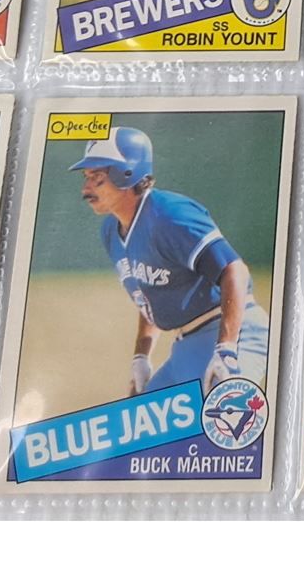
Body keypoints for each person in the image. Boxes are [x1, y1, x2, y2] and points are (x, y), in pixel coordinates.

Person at [70, 126, 269, 400]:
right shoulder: (111, 231)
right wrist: (141, 356)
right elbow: (149, 292)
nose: (86, 188)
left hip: (236, 334)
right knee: (137, 422)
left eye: (97, 178)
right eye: (86, 177)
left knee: (224, 419)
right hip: (186, 348)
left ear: (126, 174)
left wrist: (226, 348)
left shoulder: (170, 215)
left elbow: (235, 270)